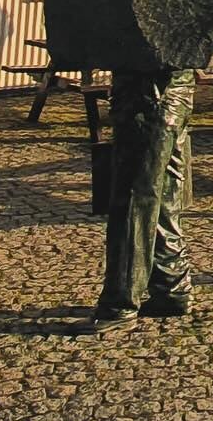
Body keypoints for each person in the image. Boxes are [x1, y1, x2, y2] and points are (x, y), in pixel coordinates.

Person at [81, 68, 196, 334]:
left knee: (135, 195)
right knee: (165, 187)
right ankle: (172, 287)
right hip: (175, 84)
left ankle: (120, 304)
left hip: (146, 86)